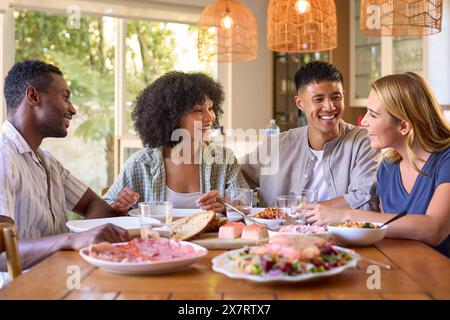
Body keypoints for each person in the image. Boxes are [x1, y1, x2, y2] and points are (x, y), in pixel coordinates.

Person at [0, 60, 130, 278]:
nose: (73, 109)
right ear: (33, 96)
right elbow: (2, 253)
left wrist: (105, 220)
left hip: (62, 282)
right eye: (66, 97)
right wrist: (72, 240)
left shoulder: (48, 163)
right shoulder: (3, 158)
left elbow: (93, 205)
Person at [304, 72, 450, 257]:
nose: (364, 122)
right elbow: (389, 230)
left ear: (404, 127)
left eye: (373, 115)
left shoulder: (446, 160)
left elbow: (434, 229)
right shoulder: (387, 168)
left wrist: (345, 215)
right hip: (405, 271)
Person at [240, 61, 379, 209]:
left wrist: (308, 211)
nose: (330, 106)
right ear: (300, 103)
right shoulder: (275, 146)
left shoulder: (364, 141)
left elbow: (365, 197)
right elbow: (237, 177)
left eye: (336, 97)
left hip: (341, 231)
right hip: (280, 231)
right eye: (318, 99)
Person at [104, 71, 249, 213]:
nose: (210, 117)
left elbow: (247, 204)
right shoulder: (140, 164)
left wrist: (227, 206)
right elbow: (106, 206)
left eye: (210, 108)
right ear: (171, 116)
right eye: (198, 110)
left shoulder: (224, 159)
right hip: (158, 237)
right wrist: (118, 207)